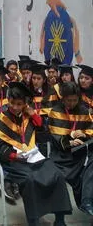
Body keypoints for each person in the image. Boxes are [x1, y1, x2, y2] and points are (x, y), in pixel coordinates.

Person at [0, 82, 72, 226]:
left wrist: (34, 115)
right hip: (13, 162)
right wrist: (14, 156)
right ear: (8, 100)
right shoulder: (1, 120)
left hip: (35, 157)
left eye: (19, 104)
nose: (15, 107)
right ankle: (33, 221)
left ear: (25, 104)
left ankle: (60, 220)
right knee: (31, 181)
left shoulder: (28, 117)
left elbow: (44, 134)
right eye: (12, 103)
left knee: (58, 176)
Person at [47, 82, 93, 211]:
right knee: (58, 179)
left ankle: (86, 205)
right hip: (60, 155)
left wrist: (84, 134)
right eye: (68, 100)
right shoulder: (55, 111)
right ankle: (60, 215)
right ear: (63, 98)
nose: (71, 103)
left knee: (87, 175)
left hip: (80, 155)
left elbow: (91, 128)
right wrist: (70, 141)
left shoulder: (84, 110)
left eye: (75, 100)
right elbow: (54, 135)